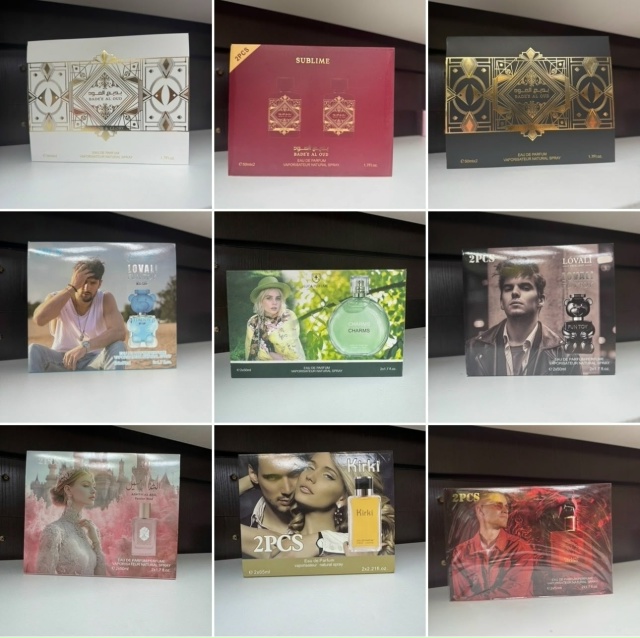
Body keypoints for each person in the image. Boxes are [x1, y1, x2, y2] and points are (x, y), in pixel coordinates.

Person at [466, 259, 577, 375]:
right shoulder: (473, 348)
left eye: (525, 287)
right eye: (508, 288)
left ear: (540, 300)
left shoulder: (566, 352)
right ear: (501, 302)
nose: (514, 292)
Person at [29, 259, 127, 372]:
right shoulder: (56, 298)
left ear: (99, 284)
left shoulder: (105, 299)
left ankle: (113, 384)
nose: (86, 288)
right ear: (74, 280)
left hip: (93, 362)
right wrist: (71, 288)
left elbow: (119, 332)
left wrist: (85, 346)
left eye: (92, 283)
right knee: (33, 350)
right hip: (61, 361)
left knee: (118, 346)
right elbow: (39, 319)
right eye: (82, 282)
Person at [450, 491, 534, 600]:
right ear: (480, 510)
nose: (505, 510)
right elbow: (461, 595)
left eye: (506, 506)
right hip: (475, 611)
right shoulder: (460, 552)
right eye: (498, 505)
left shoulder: (520, 548)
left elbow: (515, 592)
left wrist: (475, 600)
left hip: (514, 610)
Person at [36, 467, 107, 576]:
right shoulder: (54, 532)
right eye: (86, 485)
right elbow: (44, 578)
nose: (94, 491)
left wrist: (96, 543)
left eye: (93, 486)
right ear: (68, 490)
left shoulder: (92, 530)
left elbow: (101, 577)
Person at [244, 276, 305, 361]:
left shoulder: (289, 316)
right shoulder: (253, 322)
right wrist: (271, 353)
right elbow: (250, 353)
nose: (274, 302)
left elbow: (292, 348)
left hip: (293, 365)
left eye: (278, 298)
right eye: (269, 298)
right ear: (260, 301)